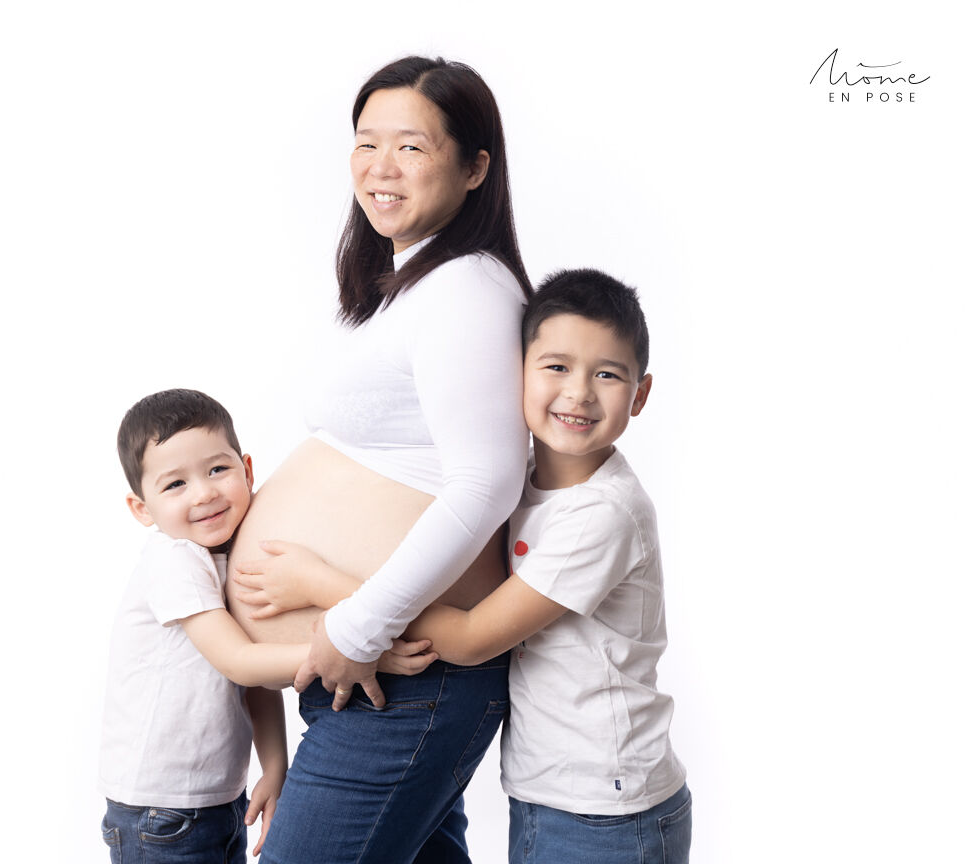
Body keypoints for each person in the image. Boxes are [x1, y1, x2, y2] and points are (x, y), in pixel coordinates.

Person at [241, 270, 692, 863]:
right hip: (546, 788)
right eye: (555, 367)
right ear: (517, 373)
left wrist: (322, 585)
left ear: (640, 393)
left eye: (607, 374)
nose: (579, 393)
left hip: (607, 806)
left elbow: (475, 638)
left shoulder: (600, 515)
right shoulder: (529, 472)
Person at [225, 56, 531, 862]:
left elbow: (488, 481)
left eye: (411, 147)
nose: (380, 168)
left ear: (474, 168)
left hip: (403, 677)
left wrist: (357, 624)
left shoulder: (468, 287)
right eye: (365, 144)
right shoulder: (403, 282)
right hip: (372, 676)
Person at [98, 389, 433, 862]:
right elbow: (239, 662)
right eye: (175, 485)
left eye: (218, 469)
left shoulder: (225, 553)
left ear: (248, 470)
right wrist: (353, 644)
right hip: (160, 809)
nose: (205, 492)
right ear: (142, 509)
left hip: (213, 797)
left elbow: (255, 685)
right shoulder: (174, 559)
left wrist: (274, 766)